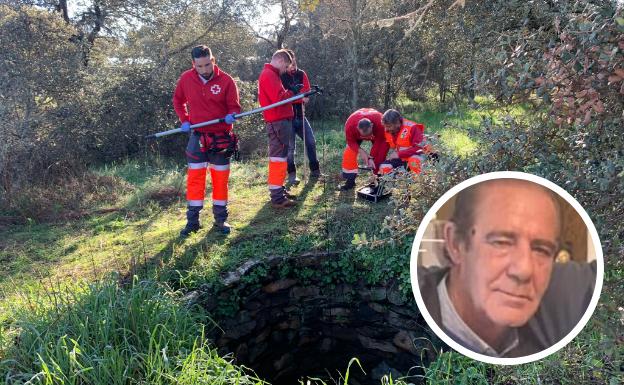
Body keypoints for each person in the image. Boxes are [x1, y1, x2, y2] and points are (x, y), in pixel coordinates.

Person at [418, 179, 596, 357]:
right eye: (502, 243)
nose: (524, 270)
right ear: (456, 243)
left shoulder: (559, 325)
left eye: (541, 250)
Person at [173, 45, 241, 236]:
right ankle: (192, 222)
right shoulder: (186, 79)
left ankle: (221, 220)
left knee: (220, 179)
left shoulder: (226, 81)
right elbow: (178, 101)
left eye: (207, 64)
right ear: (193, 64)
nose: (204, 69)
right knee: (195, 179)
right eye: (199, 66)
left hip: (221, 139)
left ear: (213, 60)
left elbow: (234, 107)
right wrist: (184, 120)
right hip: (197, 136)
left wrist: (232, 115)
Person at [258, 49, 302, 208]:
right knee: (278, 158)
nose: (286, 70)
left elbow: (279, 96)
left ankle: (279, 190)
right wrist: (292, 92)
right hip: (277, 122)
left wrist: (291, 92)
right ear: (281, 61)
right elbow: (279, 99)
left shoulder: (272, 74)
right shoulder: (269, 75)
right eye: (286, 67)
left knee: (281, 157)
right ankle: (277, 197)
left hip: (280, 121)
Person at [280, 49, 322, 185]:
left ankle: (315, 171)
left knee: (311, 142)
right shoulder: (281, 76)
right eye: (289, 65)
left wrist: (301, 97)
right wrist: (298, 98)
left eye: (293, 64)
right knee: (290, 148)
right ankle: (292, 175)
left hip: (301, 116)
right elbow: (283, 98)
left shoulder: (301, 74)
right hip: (288, 117)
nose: (291, 67)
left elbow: (307, 94)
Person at [339, 108, 390, 191]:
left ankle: (377, 180)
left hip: (378, 134)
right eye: (364, 136)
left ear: (372, 126)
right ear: (357, 128)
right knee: (349, 153)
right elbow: (351, 142)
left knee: (380, 154)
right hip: (357, 133)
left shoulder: (380, 123)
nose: (367, 138)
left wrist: (371, 158)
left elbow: (379, 144)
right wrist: (361, 152)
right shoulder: (350, 125)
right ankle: (350, 181)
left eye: (368, 135)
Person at [379, 109, 425, 174]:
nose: (386, 129)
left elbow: (420, 148)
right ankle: (395, 183)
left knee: (414, 161)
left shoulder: (412, 128)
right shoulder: (389, 131)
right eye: (385, 126)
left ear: (397, 123)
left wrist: (398, 154)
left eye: (389, 126)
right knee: (384, 167)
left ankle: (420, 182)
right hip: (403, 158)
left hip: (422, 156)